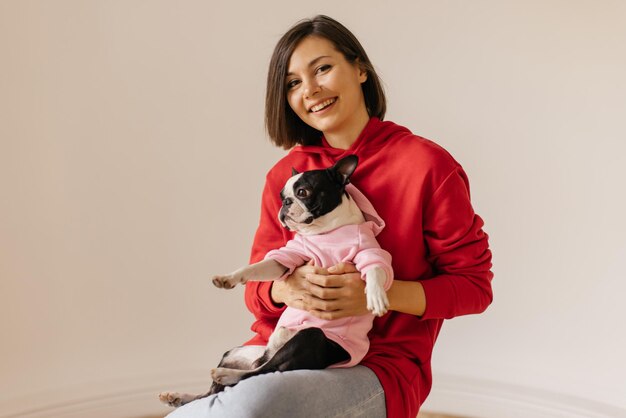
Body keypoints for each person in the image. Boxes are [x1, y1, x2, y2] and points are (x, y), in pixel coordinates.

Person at [168, 15, 493, 418]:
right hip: (277, 352)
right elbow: (258, 299)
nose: (311, 90)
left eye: (322, 68)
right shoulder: (285, 178)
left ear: (360, 69)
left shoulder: (428, 165)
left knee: (251, 406)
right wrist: (286, 289)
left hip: (378, 368)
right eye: (293, 83)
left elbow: (474, 288)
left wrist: (378, 295)